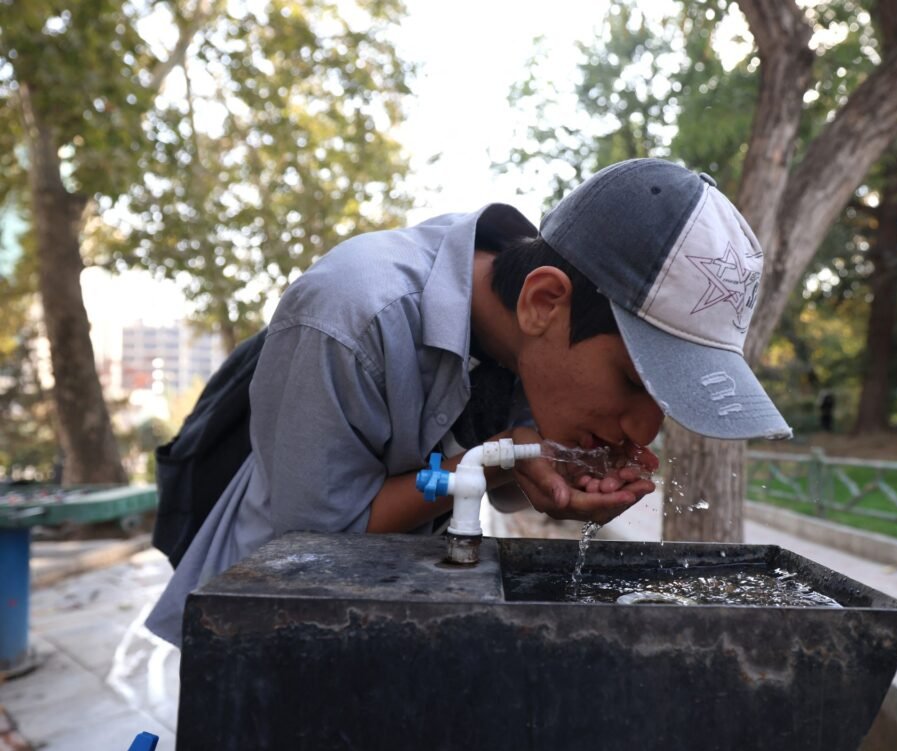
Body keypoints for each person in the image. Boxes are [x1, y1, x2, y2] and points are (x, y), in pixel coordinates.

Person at [146, 158, 792, 646]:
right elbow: (314, 540)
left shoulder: (535, 339)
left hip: (392, 609)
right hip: (265, 624)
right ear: (544, 300)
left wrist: (529, 466)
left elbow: (495, 459)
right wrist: (487, 463)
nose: (642, 431)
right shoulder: (350, 314)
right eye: (633, 381)